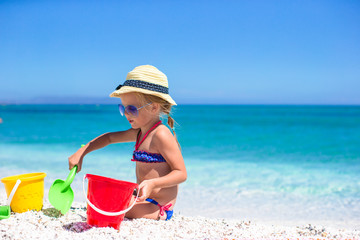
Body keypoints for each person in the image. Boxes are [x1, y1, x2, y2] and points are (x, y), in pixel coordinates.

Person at [68, 65, 187, 221]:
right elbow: (109, 138)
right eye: (123, 108)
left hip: (158, 206)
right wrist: (81, 152)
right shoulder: (140, 132)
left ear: (153, 107)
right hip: (142, 198)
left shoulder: (161, 134)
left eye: (131, 109)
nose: (125, 114)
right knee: (103, 196)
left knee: (110, 206)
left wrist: (153, 183)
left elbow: (181, 173)